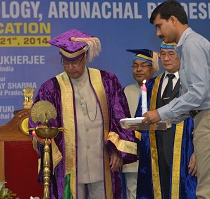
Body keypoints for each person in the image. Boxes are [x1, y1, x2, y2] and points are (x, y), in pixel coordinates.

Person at [28, 29, 137, 199]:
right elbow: (36, 125)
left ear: (85, 57)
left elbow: (120, 117)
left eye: (75, 62)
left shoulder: (107, 81)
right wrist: (45, 140)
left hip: (102, 161)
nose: (70, 67)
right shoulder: (51, 88)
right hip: (69, 164)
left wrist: (117, 150)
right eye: (65, 62)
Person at [144, 1, 210, 197]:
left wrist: (160, 112)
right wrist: (167, 120)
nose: (157, 33)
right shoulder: (191, 44)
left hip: (206, 120)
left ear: (173, 20)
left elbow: (198, 94)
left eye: (159, 26)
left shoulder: (191, 45)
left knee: (206, 191)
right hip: (202, 117)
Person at [136, 42, 197, 199]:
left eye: (171, 54)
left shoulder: (195, 85)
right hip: (155, 154)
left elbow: (205, 121)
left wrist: (199, 152)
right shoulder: (150, 85)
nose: (166, 58)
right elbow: (139, 120)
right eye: (162, 54)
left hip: (186, 152)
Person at [122, 49, 159, 199]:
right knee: (133, 192)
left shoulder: (159, 89)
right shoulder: (126, 91)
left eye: (144, 65)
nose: (138, 69)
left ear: (154, 68)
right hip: (134, 157)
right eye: (135, 65)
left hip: (156, 153)